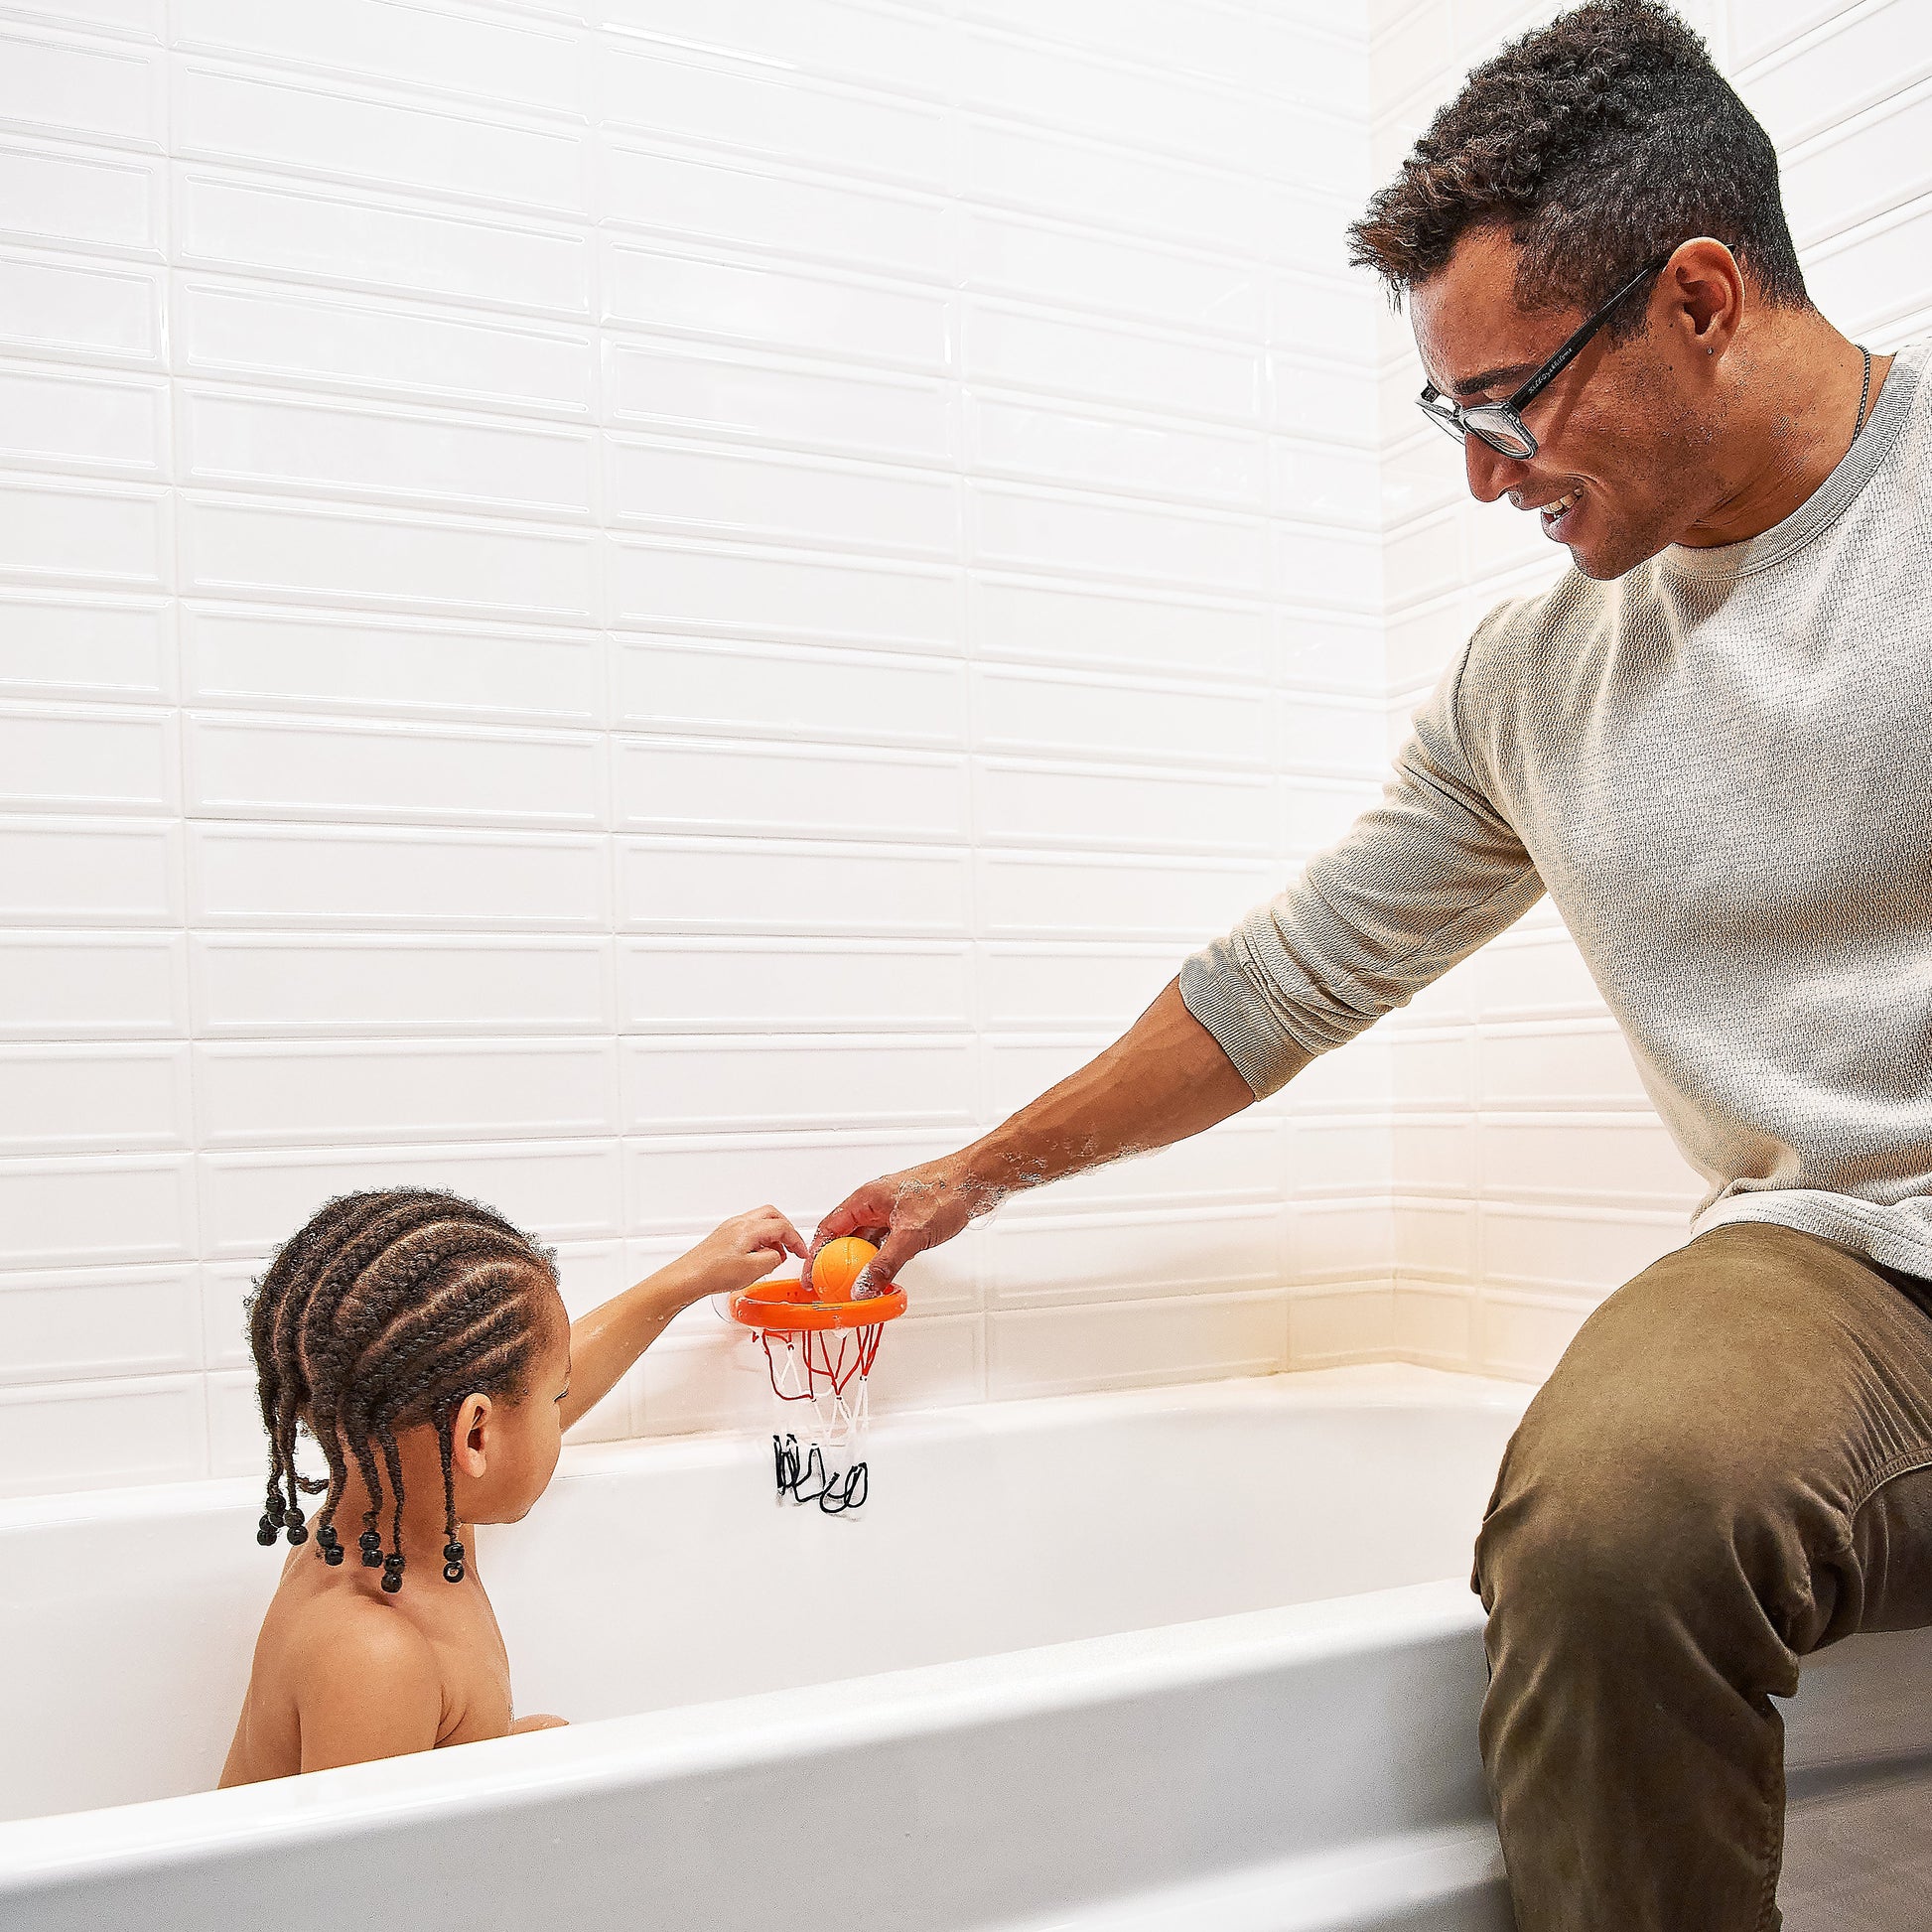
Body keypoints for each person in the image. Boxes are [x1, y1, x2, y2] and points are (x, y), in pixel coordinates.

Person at [809, 2, 1932, 1924]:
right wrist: (976, 1171)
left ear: (1699, 296)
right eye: (1452, 417)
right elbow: (1279, 981)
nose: (1487, 478)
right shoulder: (1536, 685)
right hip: (1843, 1274)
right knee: (1614, 1508)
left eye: (1516, 401)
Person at [220, 1187, 805, 1783]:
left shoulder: (407, 1508)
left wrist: (685, 1280)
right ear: (475, 1437)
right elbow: (348, 1877)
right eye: (555, 1401)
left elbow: (513, 1406)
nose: (561, 1409)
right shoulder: (375, 1653)